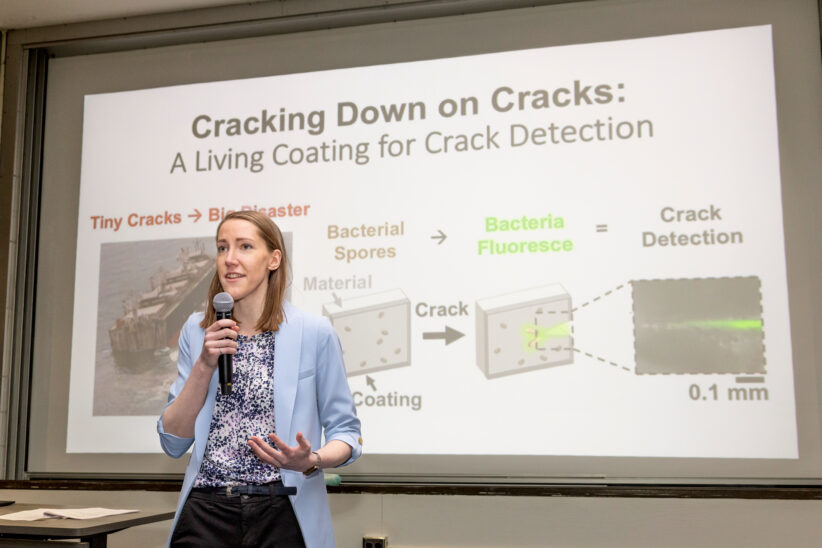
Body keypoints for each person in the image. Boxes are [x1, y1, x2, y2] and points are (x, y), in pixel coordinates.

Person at [157, 210, 362, 547]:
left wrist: (312, 460)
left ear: (273, 259)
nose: (230, 259)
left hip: (283, 509)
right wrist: (204, 366)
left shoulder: (314, 333)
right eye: (222, 248)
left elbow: (347, 433)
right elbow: (173, 442)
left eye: (245, 247)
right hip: (206, 509)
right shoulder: (197, 332)